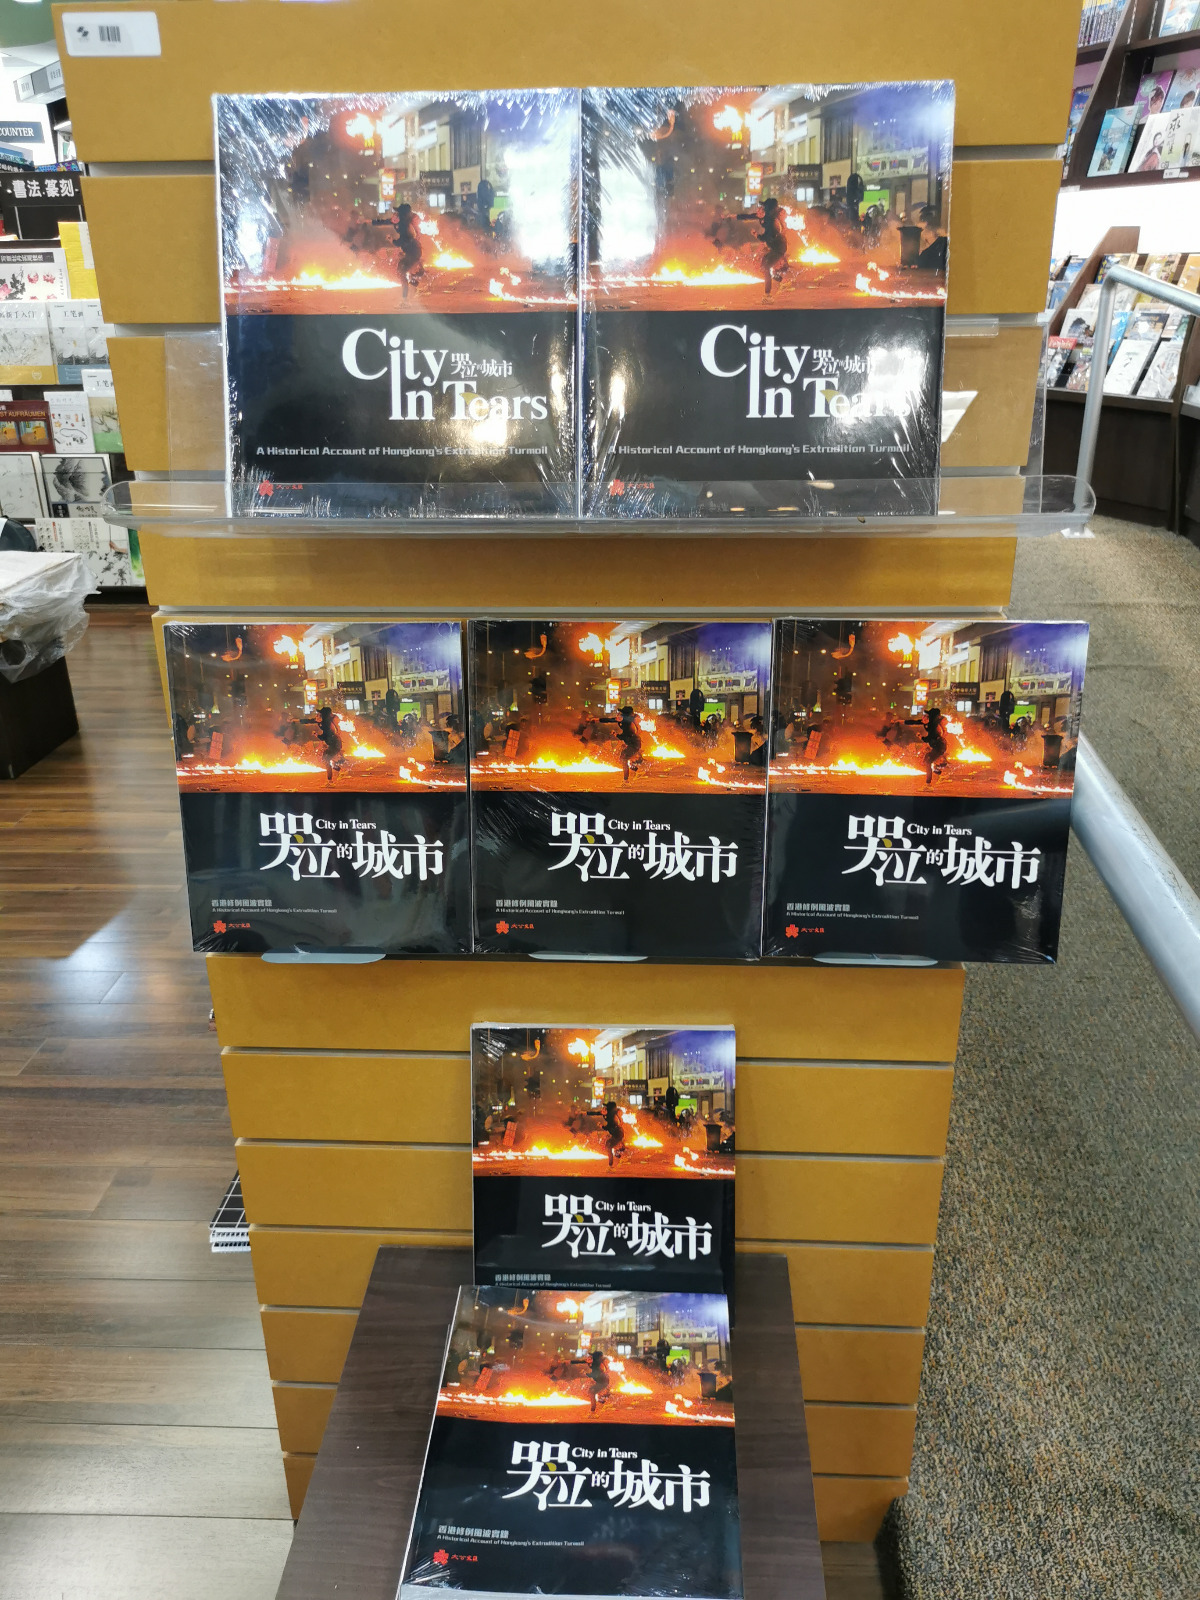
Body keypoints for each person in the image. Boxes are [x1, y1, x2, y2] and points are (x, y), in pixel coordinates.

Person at [392, 203, 424, 294]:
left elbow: (402, 241)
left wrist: (392, 241)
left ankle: (406, 296)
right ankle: (412, 287)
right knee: (405, 270)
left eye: (398, 213)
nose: (396, 214)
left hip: (413, 251)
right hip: (413, 251)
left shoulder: (405, 225)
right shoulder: (407, 223)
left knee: (401, 271)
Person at [603, 1099, 626, 1167]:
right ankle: (618, 1152)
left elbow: (609, 1126)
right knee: (608, 1144)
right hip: (618, 1134)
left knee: (608, 1146)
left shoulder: (612, 1116)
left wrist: (602, 1126)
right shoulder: (614, 1114)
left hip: (617, 1134)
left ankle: (610, 1165)